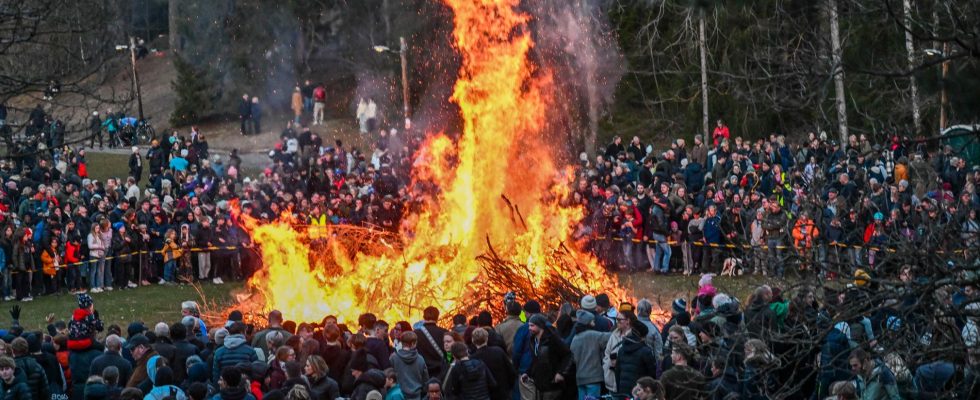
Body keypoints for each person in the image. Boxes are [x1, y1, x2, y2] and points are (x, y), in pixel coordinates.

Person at [389, 331, 427, 400]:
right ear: (413, 343)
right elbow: (425, 379)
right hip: (416, 396)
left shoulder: (393, 358)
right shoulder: (420, 359)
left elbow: (389, 376)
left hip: (398, 395)